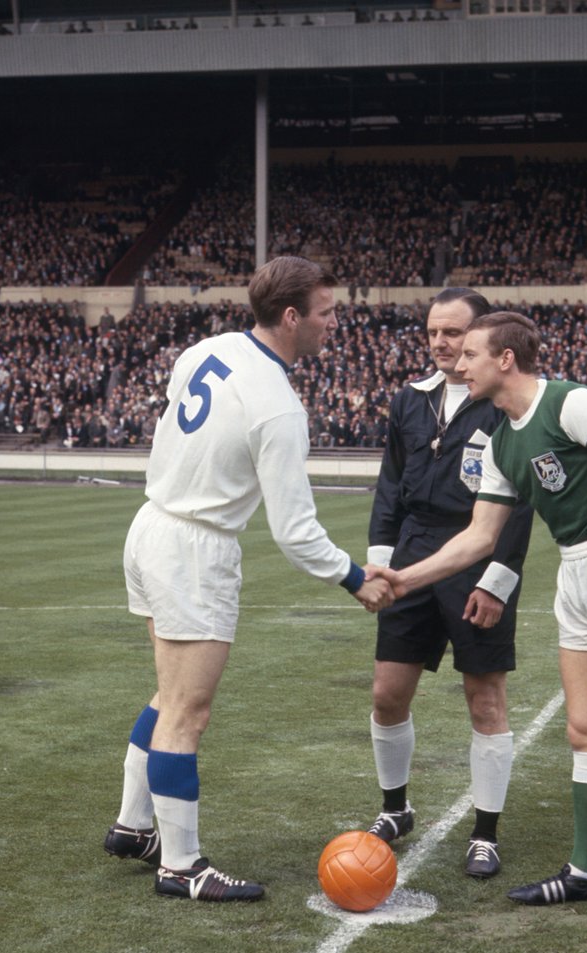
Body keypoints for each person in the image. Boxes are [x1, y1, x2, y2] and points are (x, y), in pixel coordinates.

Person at [376, 312, 587, 928]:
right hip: (575, 572)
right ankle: (586, 872)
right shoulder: (500, 440)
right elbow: (479, 537)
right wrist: (403, 578)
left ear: (505, 360)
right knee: (585, 730)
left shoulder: (569, 401)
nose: (458, 364)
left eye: (469, 353)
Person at [103, 256, 393, 902]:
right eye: (326, 312)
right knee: (188, 710)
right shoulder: (280, 407)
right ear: (291, 317)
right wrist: (354, 577)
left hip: (151, 527)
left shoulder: (206, 350)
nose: (334, 323)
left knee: (168, 691)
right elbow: (294, 532)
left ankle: (133, 825)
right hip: (195, 550)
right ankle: (180, 867)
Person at [365, 288, 533, 879]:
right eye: (433, 331)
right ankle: (395, 808)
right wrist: (380, 562)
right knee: (388, 693)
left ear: (482, 337)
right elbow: (389, 487)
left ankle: (485, 833)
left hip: (475, 556)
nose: (440, 342)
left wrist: (497, 581)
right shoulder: (408, 401)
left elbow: (518, 505)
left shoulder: (504, 405)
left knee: (484, 699)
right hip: (412, 553)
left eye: (454, 333)